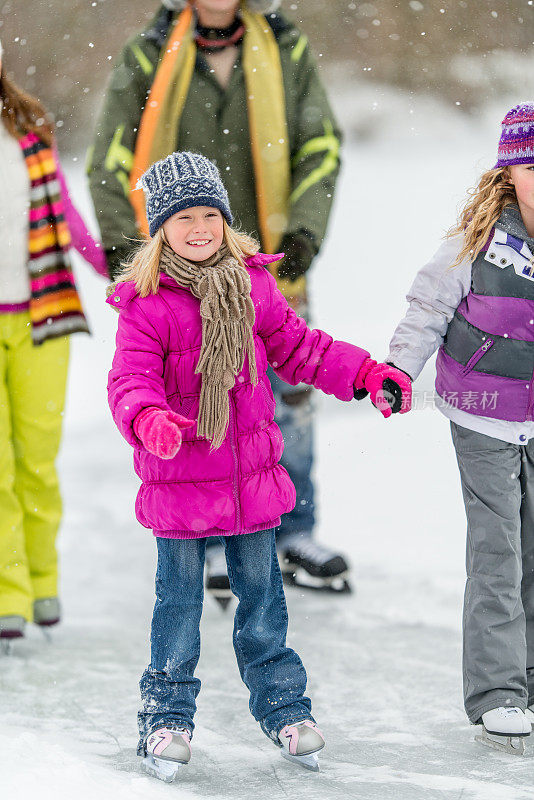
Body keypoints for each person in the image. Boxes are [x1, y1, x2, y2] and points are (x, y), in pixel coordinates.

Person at [106, 151, 411, 780]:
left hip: (250, 485)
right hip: (182, 486)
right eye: (184, 217)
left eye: (210, 214)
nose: (199, 228)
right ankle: (164, 718)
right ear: (160, 227)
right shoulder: (147, 302)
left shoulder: (251, 284)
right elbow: (130, 382)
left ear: (225, 218)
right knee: (179, 609)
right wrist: (148, 421)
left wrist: (364, 374)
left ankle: (286, 711)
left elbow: (302, 348)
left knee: (265, 606)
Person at [89, 0, 350, 601]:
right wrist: (126, 245)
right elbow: (110, 158)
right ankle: (207, 538)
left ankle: (293, 531)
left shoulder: (285, 47)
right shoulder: (148, 52)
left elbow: (321, 144)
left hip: (269, 262)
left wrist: (302, 232)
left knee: (291, 393)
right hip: (176, 271)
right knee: (194, 392)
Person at [387, 103, 534, 755]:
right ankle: (500, 691)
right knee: (499, 550)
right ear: (509, 175)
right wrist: (397, 370)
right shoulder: (473, 245)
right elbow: (425, 312)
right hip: (482, 413)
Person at [0, 39, 107, 646]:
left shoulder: (30, 126)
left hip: (42, 318)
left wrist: (121, 276)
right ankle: (8, 591)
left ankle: (42, 584)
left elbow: (64, 216)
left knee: (37, 459)